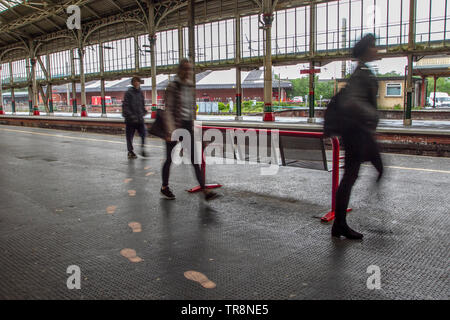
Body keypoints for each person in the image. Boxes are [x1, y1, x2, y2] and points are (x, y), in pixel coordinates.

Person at [332, 34, 383, 240]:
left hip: (359, 134)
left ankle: (341, 223)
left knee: (357, 174)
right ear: (365, 50)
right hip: (357, 134)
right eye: (373, 47)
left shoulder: (362, 72)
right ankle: (341, 223)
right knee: (353, 176)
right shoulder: (361, 74)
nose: (376, 50)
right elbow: (351, 102)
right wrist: (373, 115)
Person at [160, 59, 219, 201]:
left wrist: (195, 132)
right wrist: (169, 131)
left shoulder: (190, 87)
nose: (188, 72)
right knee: (169, 159)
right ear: (180, 70)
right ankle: (164, 187)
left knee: (194, 159)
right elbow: (168, 110)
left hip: (187, 126)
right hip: (174, 126)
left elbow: (191, 111)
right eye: (185, 69)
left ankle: (204, 190)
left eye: (190, 69)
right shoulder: (173, 87)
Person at [122, 76, 148, 159]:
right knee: (129, 137)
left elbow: (142, 104)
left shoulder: (141, 93)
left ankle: (143, 149)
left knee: (144, 134)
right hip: (130, 120)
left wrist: (144, 111)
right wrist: (131, 116)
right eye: (135, 82)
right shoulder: (128, 93)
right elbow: (125, 106)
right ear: (132, 83)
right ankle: (130, 152)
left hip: (139, 119)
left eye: (138, 81)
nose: (137, 83)